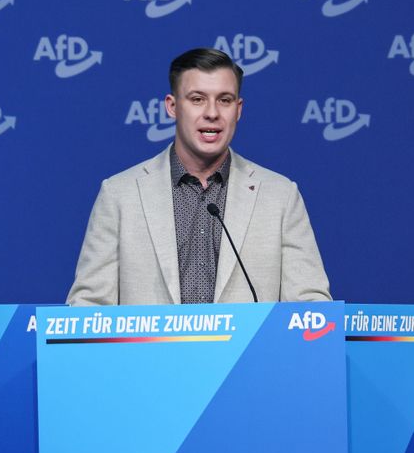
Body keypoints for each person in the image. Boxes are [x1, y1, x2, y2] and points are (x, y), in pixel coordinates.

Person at [67, 47, 331, 306]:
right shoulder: (119, 194)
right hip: (151, 351)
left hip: (248, 351)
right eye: (197, 99)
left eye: (224, 100)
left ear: (238, 109)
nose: (212, 113)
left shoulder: (280, 196)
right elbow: (88, 306)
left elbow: (311, 308)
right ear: (172, 106)